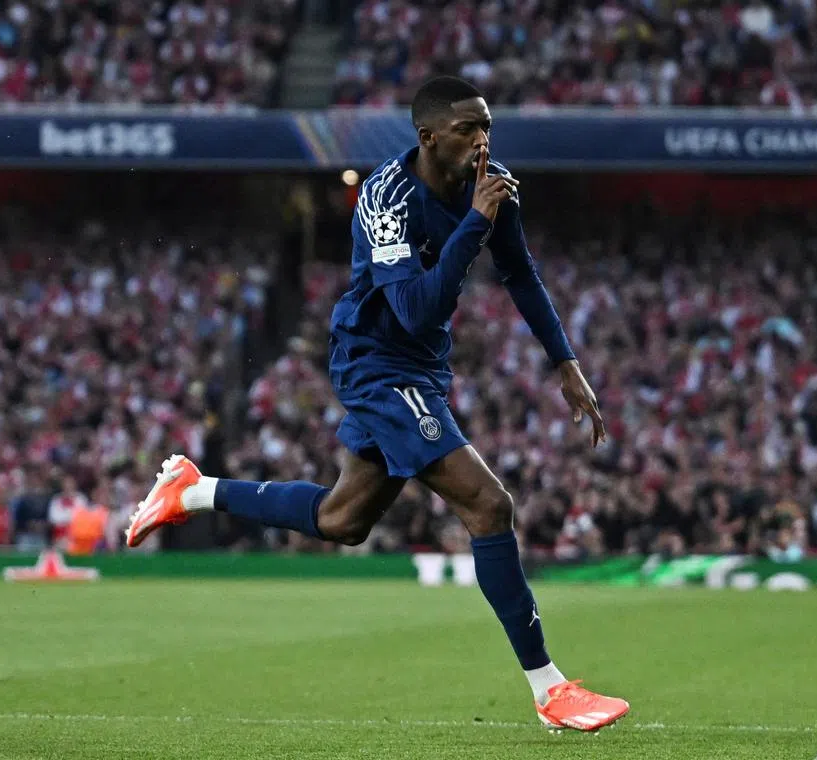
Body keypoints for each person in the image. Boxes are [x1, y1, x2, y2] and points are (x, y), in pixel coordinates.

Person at [124, 76, 629, 732]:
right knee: (488, 503)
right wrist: (474, 221)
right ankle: (549, 689)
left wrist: (566, 363)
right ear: (428, 136)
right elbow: (415, 309)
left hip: (420, 365)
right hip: (375, 362)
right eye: (469, 129)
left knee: (342, 519)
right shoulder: (385, 197)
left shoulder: (493, 182)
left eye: (489, 128)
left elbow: (521, 274)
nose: (483, 142)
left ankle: (193, 489)